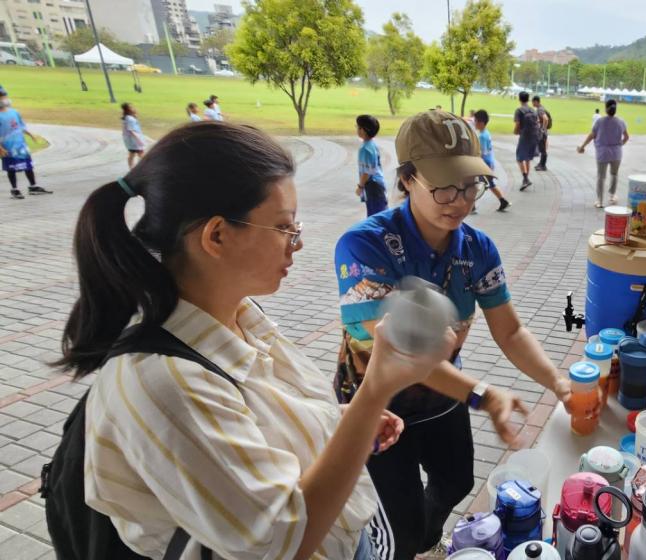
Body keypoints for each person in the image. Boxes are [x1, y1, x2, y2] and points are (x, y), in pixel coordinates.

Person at [59, 121, 444, 559]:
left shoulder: (238, 316)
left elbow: (257, 423)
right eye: (283, 227)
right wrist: (374, 391)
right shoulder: (165, 383)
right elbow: (283, 541)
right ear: (217, 235)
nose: (297, 243)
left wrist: (347, 420)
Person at [334, 109, 590, 559]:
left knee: (457, 482)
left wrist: (558, 381)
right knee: (399, 527)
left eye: (470, 184)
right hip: (375, 407)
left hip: (442, 398)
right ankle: (403, 544)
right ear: (408, 179)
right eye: (444, 186)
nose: (461, 200)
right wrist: (482, 395)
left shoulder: (476, 248)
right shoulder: (365, 246)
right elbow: (406, 356)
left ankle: (428, 541)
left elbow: (510, 331)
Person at [577, 98, 629, 208]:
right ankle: (612, 195)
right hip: (617, 153)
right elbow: (626, 137)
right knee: (614, 174)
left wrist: (582, 147)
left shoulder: (599, 121)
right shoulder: (621, 121)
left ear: (606, 109)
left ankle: (600, 201)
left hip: (602, 153)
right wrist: (620, 144)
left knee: (601, 177)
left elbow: (592, 136)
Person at [1, 86, 51, 199]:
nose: (4, 99)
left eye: (4, 96)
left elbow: (21, 126)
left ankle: (33, 186)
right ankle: (15, 189)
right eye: (2, 97)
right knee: (11, 168)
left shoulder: (14, 112)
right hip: (8, 147)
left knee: (28, 166)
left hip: (21, 145)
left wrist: (31, 134)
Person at [472, 109, 511, 212]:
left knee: (475, 184)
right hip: (488, 163)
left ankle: (472, 205)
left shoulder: (482, 136)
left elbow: (483, 152)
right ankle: (503, 201)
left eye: (475, 121)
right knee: (488, 184)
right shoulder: (486, 133)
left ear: (481, 122)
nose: (474, 123)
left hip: (484, 164)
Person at [356, 114, 389, 217]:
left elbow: (366, 172)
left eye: (358, 127)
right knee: (379, 213)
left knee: (375, 216)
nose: (357, 129)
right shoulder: (371, 145)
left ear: (363, 130)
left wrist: (360, 187)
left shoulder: (365, 149)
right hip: (377, 184)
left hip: (373, 186)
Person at [513, 91, 540, 190]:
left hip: (524, 136)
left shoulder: (519, 110)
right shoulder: (533, 110)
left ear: (519, 99)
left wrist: (515, 131)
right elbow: (537, 122)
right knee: (528, 158)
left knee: (519, 158)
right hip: (533, 136)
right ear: (528, 99)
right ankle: (526, 179)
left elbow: (517, 124)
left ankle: (525, 178)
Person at [121, 102, 147, 169]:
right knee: (141, 154)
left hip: (130, 139)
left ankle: (132, 168)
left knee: (132, 154)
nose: (133, 108)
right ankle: (142, 168)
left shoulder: (127, 117)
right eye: (131, 107)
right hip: (133, 139)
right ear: (128, 109)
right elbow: (131, 130)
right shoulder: (130, 119)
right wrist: (139, 139)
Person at [532, 95, 551, 171]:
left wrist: (543, 129)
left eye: (533, 102)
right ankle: (541, 163)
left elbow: (545, 119)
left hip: (542, 132)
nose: (532, 103)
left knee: (543, 149)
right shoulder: (541, 108)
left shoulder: (540, 109)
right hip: (542, 132)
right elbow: (542, 119)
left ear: (536, 101)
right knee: (541, 148)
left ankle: (543, 165)